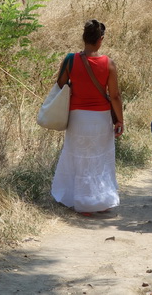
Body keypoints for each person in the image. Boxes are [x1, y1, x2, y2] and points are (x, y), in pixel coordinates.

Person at [51, 19, 124, 215]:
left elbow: (60, 84)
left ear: (84, 38)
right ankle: (101, 200)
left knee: (80, 159)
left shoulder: (70, 59)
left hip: (77, 118)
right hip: (101, 118)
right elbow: (115, 96)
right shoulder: (109, 64)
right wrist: (120, 119)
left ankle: (83, 203)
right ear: (101, 40)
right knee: (100, 159)